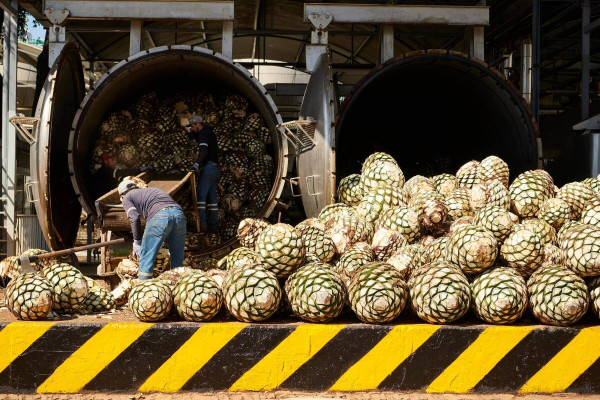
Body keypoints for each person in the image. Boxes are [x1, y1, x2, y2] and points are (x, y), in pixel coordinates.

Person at [118, 178, 186, 280]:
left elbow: (134, 217)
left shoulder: (127, 197)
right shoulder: (152, 190)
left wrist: (137, 241)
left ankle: (144, 290)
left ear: (121, 196)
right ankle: (178, 288)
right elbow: (170, 213)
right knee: (177, 262)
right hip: (179, 215)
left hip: (159, 216)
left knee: (146, 259)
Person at [187, 115, 220, 233]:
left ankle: (202, 226)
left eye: (192, 126)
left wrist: (197, 163)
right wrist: (191, 134)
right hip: (216, 169)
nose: (191, 128)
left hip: (208, 168)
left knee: (200, 198)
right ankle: (213, 227)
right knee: (212, 200)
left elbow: (204, 150)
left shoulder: (203, 134)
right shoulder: (209, 133)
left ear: (197, 124)